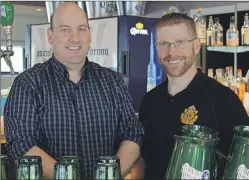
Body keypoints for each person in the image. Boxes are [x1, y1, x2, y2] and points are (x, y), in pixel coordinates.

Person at [4, 2, 144, 179]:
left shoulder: (112, 81)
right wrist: (67, 176)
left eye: (82, 29)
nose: (75, 38)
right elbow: (21, 145)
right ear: (50, 36)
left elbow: (132, 133)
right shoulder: (28, 83)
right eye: (65, 30)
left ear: (90, 34)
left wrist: (109, 175)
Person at [138, 13, 249, 180]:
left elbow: (243, 165)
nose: (171, 52)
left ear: (196, 45)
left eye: (180, 43)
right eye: (163, 44)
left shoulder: (223, 100)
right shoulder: (150, 100)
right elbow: (143, 160)